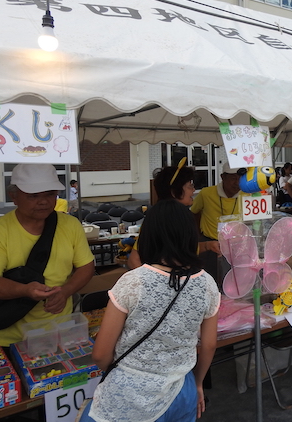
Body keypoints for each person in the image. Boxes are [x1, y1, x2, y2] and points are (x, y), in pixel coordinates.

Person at [81, 199, 220, 422]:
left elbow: (100, 355)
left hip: (132, 392)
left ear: (149, 236)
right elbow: (210, 344)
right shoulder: (207, 284)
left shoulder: (132, 282)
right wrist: (198, 383)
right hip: (182, 389)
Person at [0, 164, 94, 347]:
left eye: (49, 194)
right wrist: (25, 291)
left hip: (60, 331)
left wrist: (66, 292)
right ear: (14, 196)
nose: (43, 201)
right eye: (33, 196)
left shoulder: (70, 225)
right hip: (9, 339)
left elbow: (86, 266)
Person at [127, 159, 218, 270]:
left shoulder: (178, 215)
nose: (193, 190)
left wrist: (208, 245)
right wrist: (152, 283)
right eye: (190, 186)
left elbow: (182, 249)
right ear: (174, 192)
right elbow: (134, 260)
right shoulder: (160, 217)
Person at [190, 163, 244, 283]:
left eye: (240, 178)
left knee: (235, 282)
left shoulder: (246, 195)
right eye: (233, 178)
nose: (237, 182)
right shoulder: (206, 193)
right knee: (210, 280)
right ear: (223, 177)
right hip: (211, 245)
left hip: (236, 246)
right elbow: (193, 213)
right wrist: (198, 235)